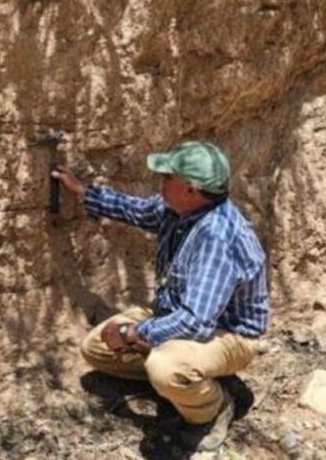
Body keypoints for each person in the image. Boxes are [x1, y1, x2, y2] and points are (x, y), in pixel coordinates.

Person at [52, 141, 269, 452]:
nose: (161, 182)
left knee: (165, 367)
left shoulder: (217, 236)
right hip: (175, 316)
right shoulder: (179, 210)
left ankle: (214, 406)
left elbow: (195, 322)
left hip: (228, 335)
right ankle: (187, 382)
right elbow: (134, 209)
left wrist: (134, 332)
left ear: (191, 191)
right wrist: (84, 191)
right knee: (96, 348)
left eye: (168, 177)